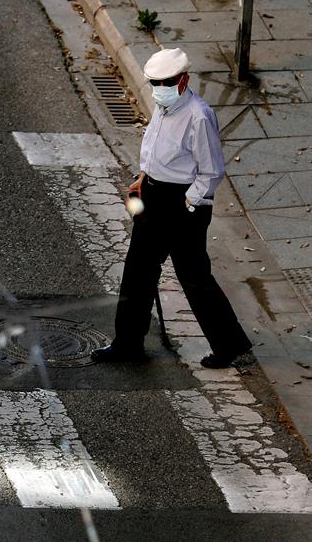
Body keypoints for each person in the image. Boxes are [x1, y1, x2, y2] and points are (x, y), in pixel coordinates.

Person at [91, 47, 252, 369]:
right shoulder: (164, 106)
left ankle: (230, 345)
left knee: (193, 277)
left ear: (184, 79)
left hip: (182, 204)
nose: (160, 88)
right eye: (155, 82)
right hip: (153, 195)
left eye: (167, 82)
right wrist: (143, 177)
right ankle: (128, 345)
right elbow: (154, 147)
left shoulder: (198, 115)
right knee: (137, 272)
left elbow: (211, 171)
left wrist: (187, 204)